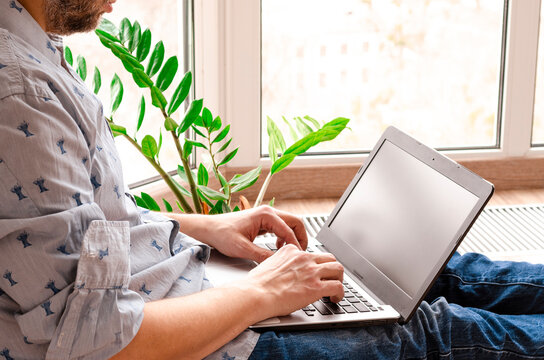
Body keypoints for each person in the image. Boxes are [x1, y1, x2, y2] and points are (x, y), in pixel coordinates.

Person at [0, 0, 543, 359]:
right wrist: (262, 292)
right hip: (191, 339)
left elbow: (79, 228)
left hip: (171, 287)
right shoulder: (20, 92)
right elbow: (90, 341)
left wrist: (204, 227)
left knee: (427, 273)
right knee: (432, 333)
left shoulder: (26, 50)